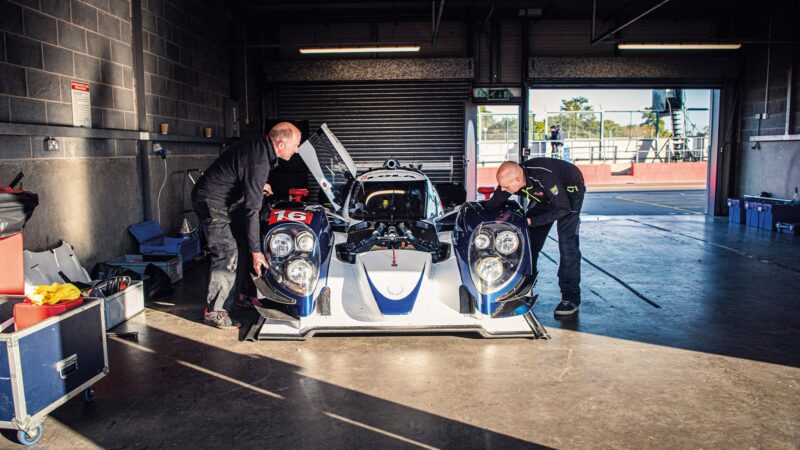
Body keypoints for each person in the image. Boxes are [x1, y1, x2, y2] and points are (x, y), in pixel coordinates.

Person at [192, 122, 301, 329]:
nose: (296, 150)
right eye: (295, 145)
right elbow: (252, 210)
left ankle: (240, 294)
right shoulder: (259, 161)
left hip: (225, 200)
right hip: (211, 201)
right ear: (280, 143)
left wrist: (258, 184)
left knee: (240, 243)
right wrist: (257, 251)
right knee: (227, 251)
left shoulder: (260, 146)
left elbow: (244, 170)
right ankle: (215, 311)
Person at [485, 158, 585, 316]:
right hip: (545, 196)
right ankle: (522, 287)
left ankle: (570, 298)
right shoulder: (510, 180)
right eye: (501, 185)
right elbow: (495, 202)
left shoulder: (544, 177)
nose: (503, 189)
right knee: (527, 243)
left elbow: (563, 208)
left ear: (518, 180)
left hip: (569, 193)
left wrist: (532, 221)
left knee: (567, 245)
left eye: (506, 186)